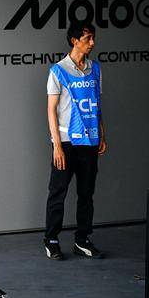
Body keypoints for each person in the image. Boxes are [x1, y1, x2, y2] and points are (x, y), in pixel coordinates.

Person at [43, 21, 107, 260]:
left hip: (90, 140)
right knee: (58, 191)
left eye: (93, 38)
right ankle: (51, 240)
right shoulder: (58, 70)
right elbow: (51, 110)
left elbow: (97, 104)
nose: (92, 43)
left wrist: (102, 133)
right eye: (88, 38)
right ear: (74, 40)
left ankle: (82, 239)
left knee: (86, 193)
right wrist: (56, 145)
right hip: (66, 141)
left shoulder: (95, 69)